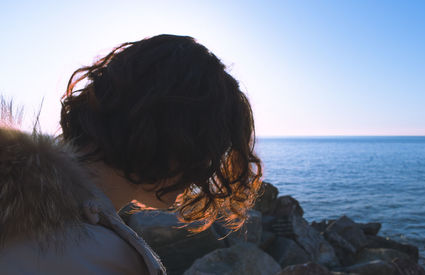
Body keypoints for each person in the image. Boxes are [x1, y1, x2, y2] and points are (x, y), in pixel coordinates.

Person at [0, 34, 262, 274]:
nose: (205, 168)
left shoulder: (24, 211)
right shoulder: (94, 259)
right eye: (210, 147)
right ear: (176, 135)